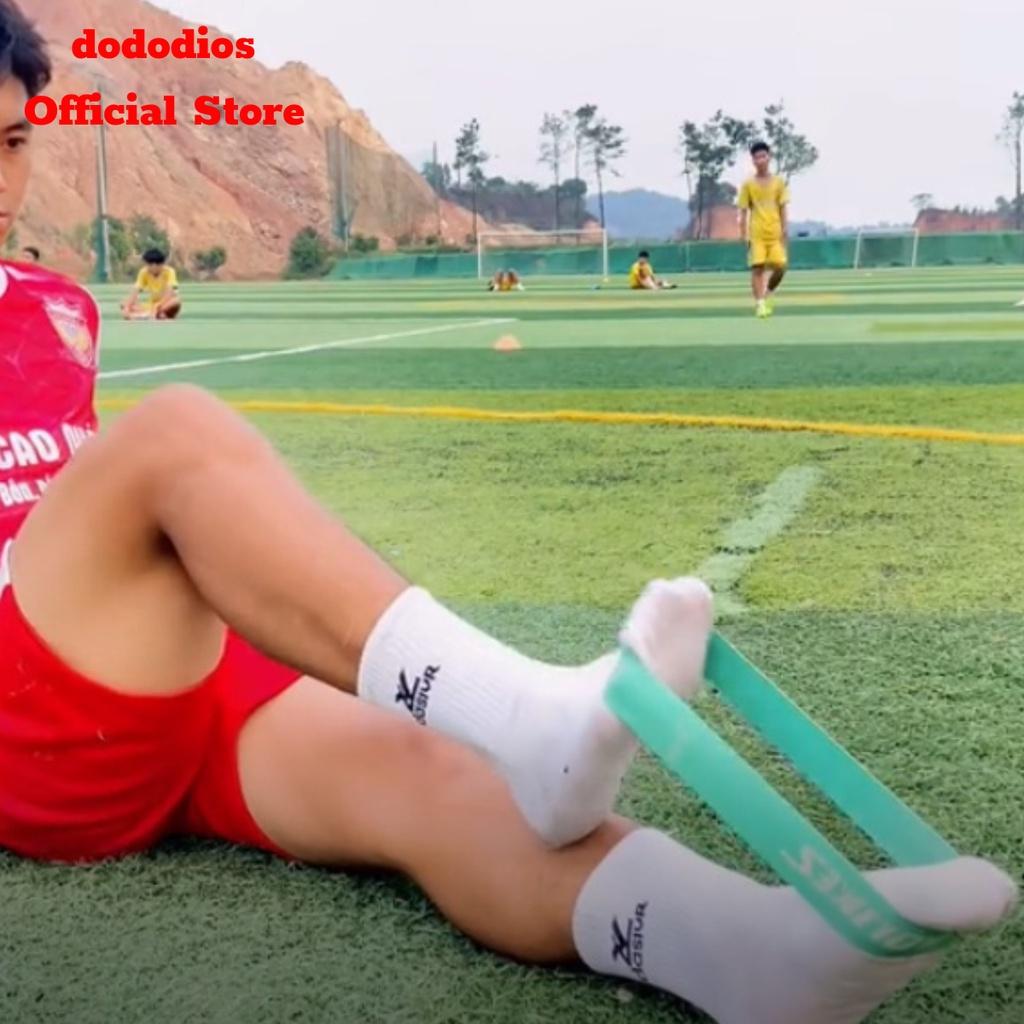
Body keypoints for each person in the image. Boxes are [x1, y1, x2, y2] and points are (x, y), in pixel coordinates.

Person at [0, 6, 1016, 1024]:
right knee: (174, 435)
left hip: (159, 675)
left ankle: (751, 953)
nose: (4, 184)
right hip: (30, 724)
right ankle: (530, 716)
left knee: (431, 766)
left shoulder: (57, 308)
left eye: (13, 143)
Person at [738, 142, 789, 319]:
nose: (760, 160)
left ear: (769, 157)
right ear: (753, 160)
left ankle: (767, 294)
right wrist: (743, 234)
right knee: (757, 268)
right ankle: (760, 304)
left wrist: (785, 228)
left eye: (763, 156)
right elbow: (743, 210)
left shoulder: (778, 182)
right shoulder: (748, 184)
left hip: (774, 233)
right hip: (756, 234)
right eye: (757, 157)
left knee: (781, 267)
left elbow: (783, 206)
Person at [121, 246, 182, 320]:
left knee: (176, 301)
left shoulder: (169, 272)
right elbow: (136, 290)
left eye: (157, 264)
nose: (153, 267)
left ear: (161, 264)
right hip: (152, 305)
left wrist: (157, 306)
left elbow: (170, 292)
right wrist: (127, 308)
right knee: (124, 303)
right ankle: (157, 315)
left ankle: (148, 314)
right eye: (149, 264)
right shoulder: (144, 272)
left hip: (165, 303)